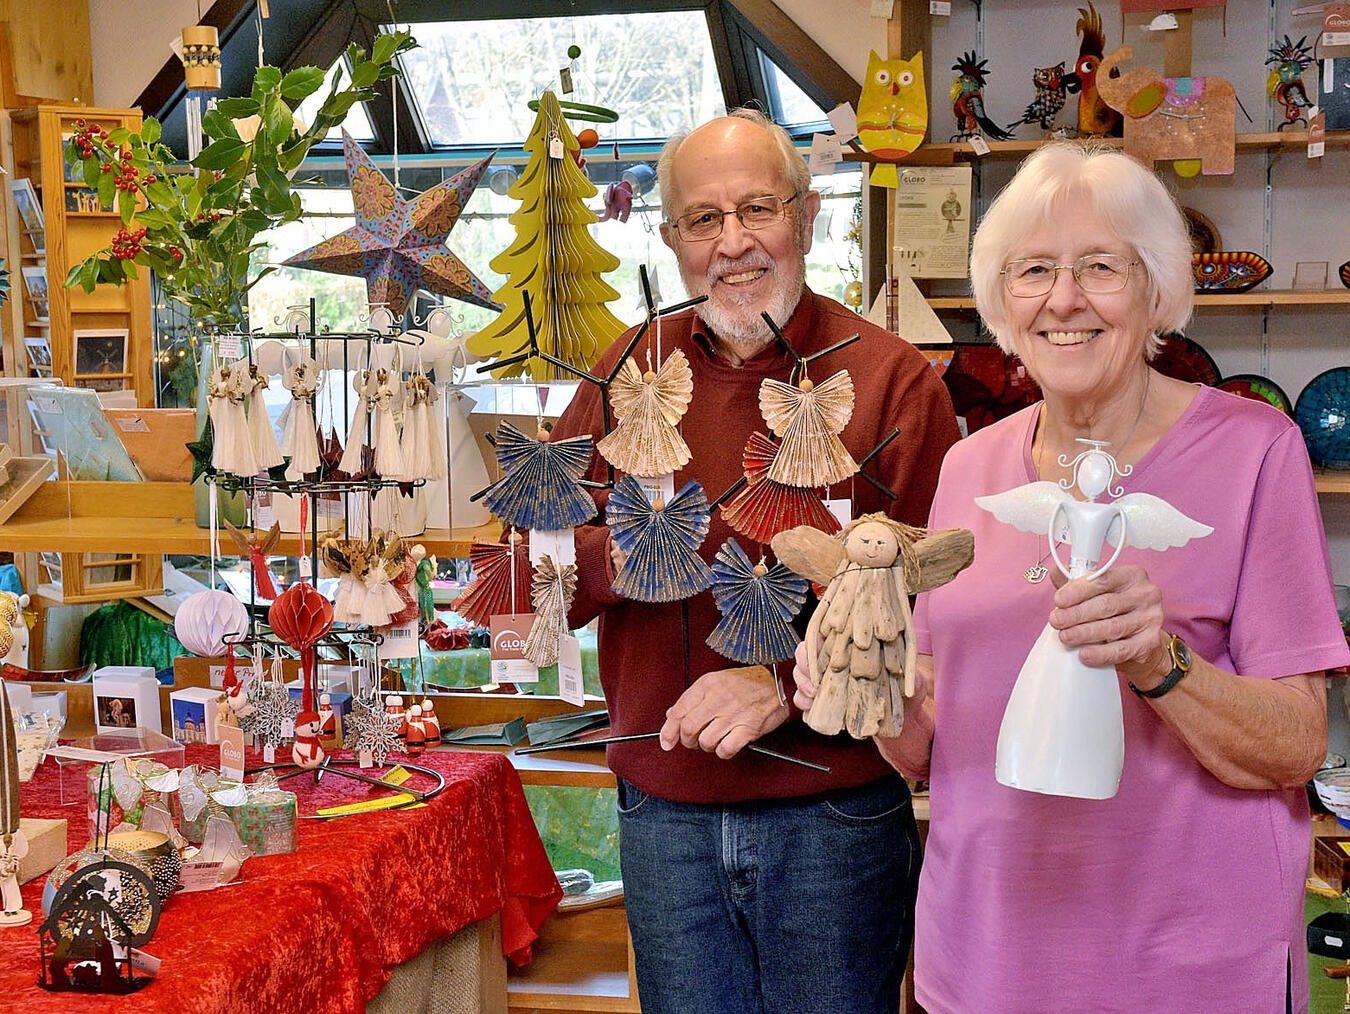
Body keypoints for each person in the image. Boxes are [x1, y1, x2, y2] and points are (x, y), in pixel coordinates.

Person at [796, 140, 1349, 1013]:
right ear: (1004, 304)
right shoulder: (970, 469)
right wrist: (866, 686)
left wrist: (1161, 663)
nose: (1064, 300)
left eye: (1100, 267)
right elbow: (927, 746)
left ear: (1156, 288)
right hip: (985, 958)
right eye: (1034, 271)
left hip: (1193, 968)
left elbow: (1297, 747)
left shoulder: (1255, 451)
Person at [548, 109, 960, 1014]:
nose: (732, 243)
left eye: (758, 209)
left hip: (837, 819)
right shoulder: (625, 373)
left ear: (807, 216)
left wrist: (781, 683)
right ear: (671, 238)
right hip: (666, 818)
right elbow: (536, 569)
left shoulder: (892, 382)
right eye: (703, 219)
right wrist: (639, 548)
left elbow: (939, 619)